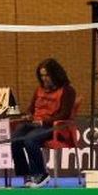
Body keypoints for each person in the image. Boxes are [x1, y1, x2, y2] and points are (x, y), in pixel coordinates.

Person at [10, 58, 77, 187]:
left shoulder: (68, 90)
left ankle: (41, 174)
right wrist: (28, 115)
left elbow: (65, 114)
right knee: (15, 139)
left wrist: (43, 122)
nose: (44, 79)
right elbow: (31, 109)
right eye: (42, 76)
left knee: (30, 140)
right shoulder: (39, 89)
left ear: (55, 74)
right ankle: (27, 175)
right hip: (34, 124)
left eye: (47, 75)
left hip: (53, 127)